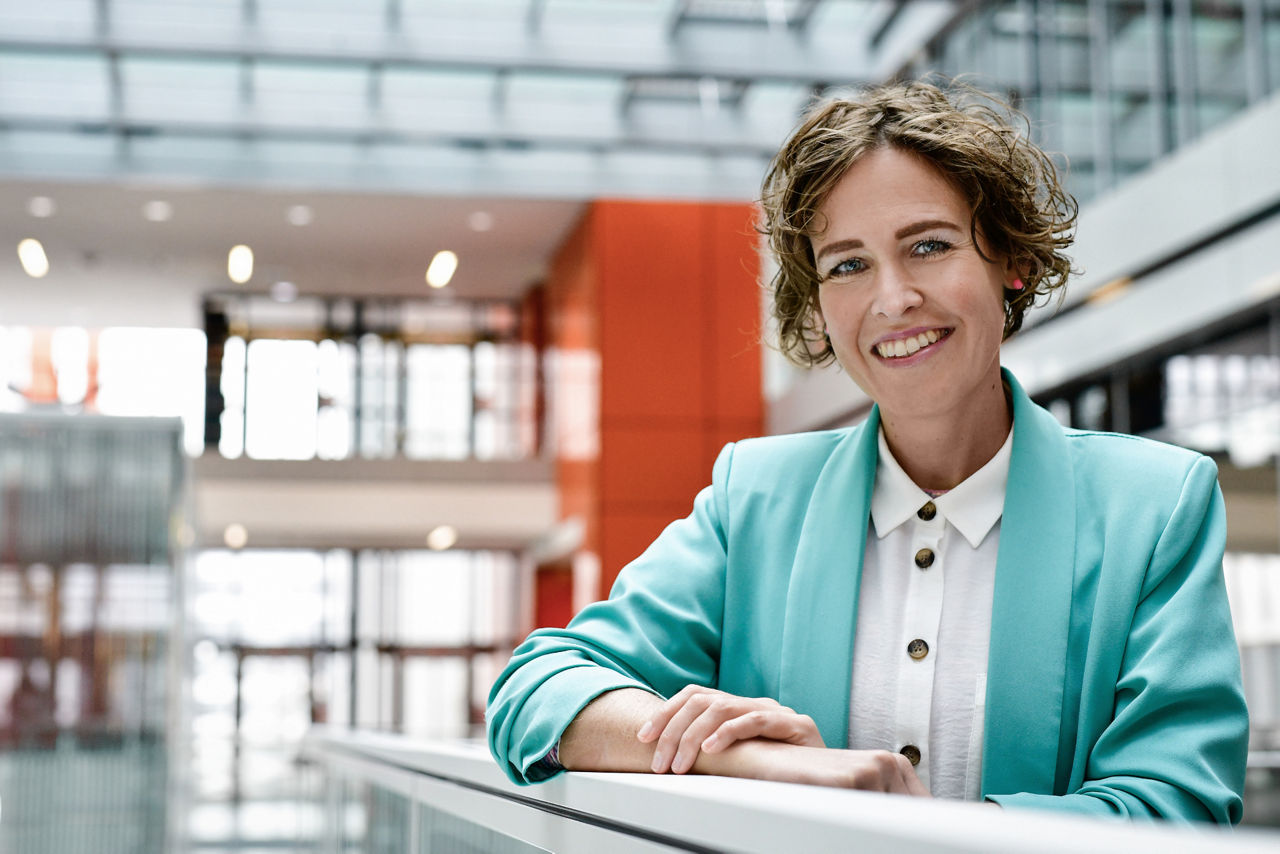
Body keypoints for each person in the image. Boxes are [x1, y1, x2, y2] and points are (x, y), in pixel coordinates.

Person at [486, 80, 1248, 822]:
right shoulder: (754, 496)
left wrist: (921, 829)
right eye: (847, 264)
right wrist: (759, 761)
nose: (892, 299)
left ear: (1010, 261)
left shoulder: (1155, 506)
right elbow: (535, 690)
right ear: (818, 305)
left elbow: (1175, 803)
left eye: (928, 246)